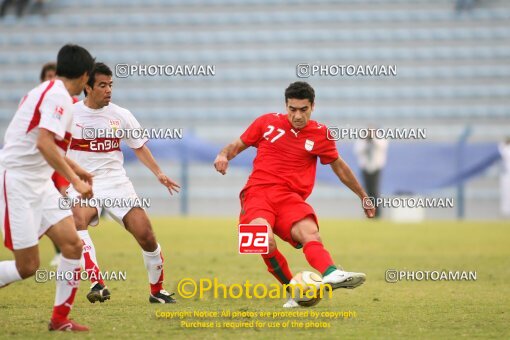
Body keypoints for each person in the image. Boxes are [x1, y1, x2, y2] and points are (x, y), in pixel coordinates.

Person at [214, 81, 375, 308]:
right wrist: (223, 156)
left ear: (313, 107)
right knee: (262, 240)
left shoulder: (321, 134)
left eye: (303, 110)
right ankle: (294, 291)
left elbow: (339, 167)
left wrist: (363, 195)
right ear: (286, 106)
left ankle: (331, 273)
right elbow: (237, 145)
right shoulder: (266, 122)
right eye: (292, 109)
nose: (297, 115)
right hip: (256, 194)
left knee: (310, 232)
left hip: (290, 198)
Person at [66, 62, 180, 304]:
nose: (108, 90)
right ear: (87, 87)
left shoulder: (121, 114)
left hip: (116, 183)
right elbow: (53, 149)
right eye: (102, 85)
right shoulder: (71, 115)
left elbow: (139, 147)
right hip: (84, 184)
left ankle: (156, 291)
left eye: (111, 85)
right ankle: (97, 282)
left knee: (146, 235)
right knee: (78, 221)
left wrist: (159, 173)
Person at [0, 44, 95, 331]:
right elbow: (43, 144)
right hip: (17, 182)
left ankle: (59, 320)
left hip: (39, 183)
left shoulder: (50, 92)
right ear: (85, 75)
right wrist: (76, 181)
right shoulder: (59, 98)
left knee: (72, 245)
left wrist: (77, 170)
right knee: (27, 267)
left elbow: (44, 143)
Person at [354, 127, 388, 219]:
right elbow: (358, 150)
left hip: (376, 167)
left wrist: (373, 138)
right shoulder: (362, 140)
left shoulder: (379, 138)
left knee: (375, 191)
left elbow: (381, 146)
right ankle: (368, 213)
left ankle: (377, 213)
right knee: (366, 192)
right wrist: (366, 141)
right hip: (365, 167)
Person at [499, 137, 510, 218]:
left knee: (506, 193)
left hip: (507, 175)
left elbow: (500, 148)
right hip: (506, 174)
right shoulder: (505, 149)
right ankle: (505, 211)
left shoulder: (506, 149)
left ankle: (506, 211)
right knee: (506, 193)